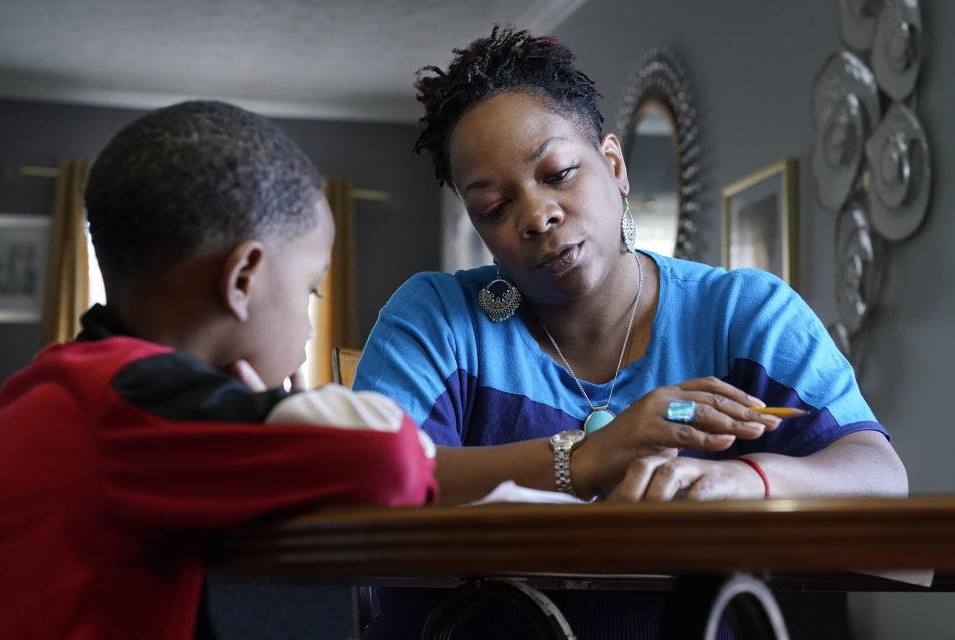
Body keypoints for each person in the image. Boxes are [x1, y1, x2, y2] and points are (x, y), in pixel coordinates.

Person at [352, 26, 907, 639]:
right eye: (493, 207)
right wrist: (586, 459)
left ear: (614, 165)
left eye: (559, 173)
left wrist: (742, 481)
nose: (537, 216)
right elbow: (374, 482)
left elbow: (879, 475)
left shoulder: (742, 313)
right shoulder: (436, 319)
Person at [0, 100, 438, 640]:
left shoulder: (61, 387)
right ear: (243, 280)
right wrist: (292, 408)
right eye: (311, 290)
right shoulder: (135, 399)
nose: (306, 327)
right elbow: (392, 457)